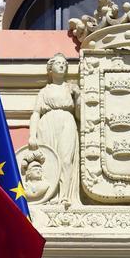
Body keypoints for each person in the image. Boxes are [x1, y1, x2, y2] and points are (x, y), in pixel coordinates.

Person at [28, 53, 80, 206]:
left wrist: (78, 97)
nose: (62, 65)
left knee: (66, 159)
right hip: (47, 124)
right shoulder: (44, 91)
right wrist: (32, 135)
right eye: (58, 63)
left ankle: (65, 195)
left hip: (67, 122)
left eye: (64, 63)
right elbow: (36, 113)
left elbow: (80, 114)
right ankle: (52, 195)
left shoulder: (71, 89)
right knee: (50, 159)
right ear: (50, 68)